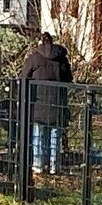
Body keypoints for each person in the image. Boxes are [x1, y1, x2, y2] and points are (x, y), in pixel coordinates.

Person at [15, 30, 73, 174]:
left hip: (38, 104)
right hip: (57, 102)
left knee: (38, 135)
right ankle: (54, 166)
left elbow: (24, 77)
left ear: (40, 42)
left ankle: (38, 164)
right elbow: (68, 78)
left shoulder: (34, 58)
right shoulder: (61, 59)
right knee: (55, 136)